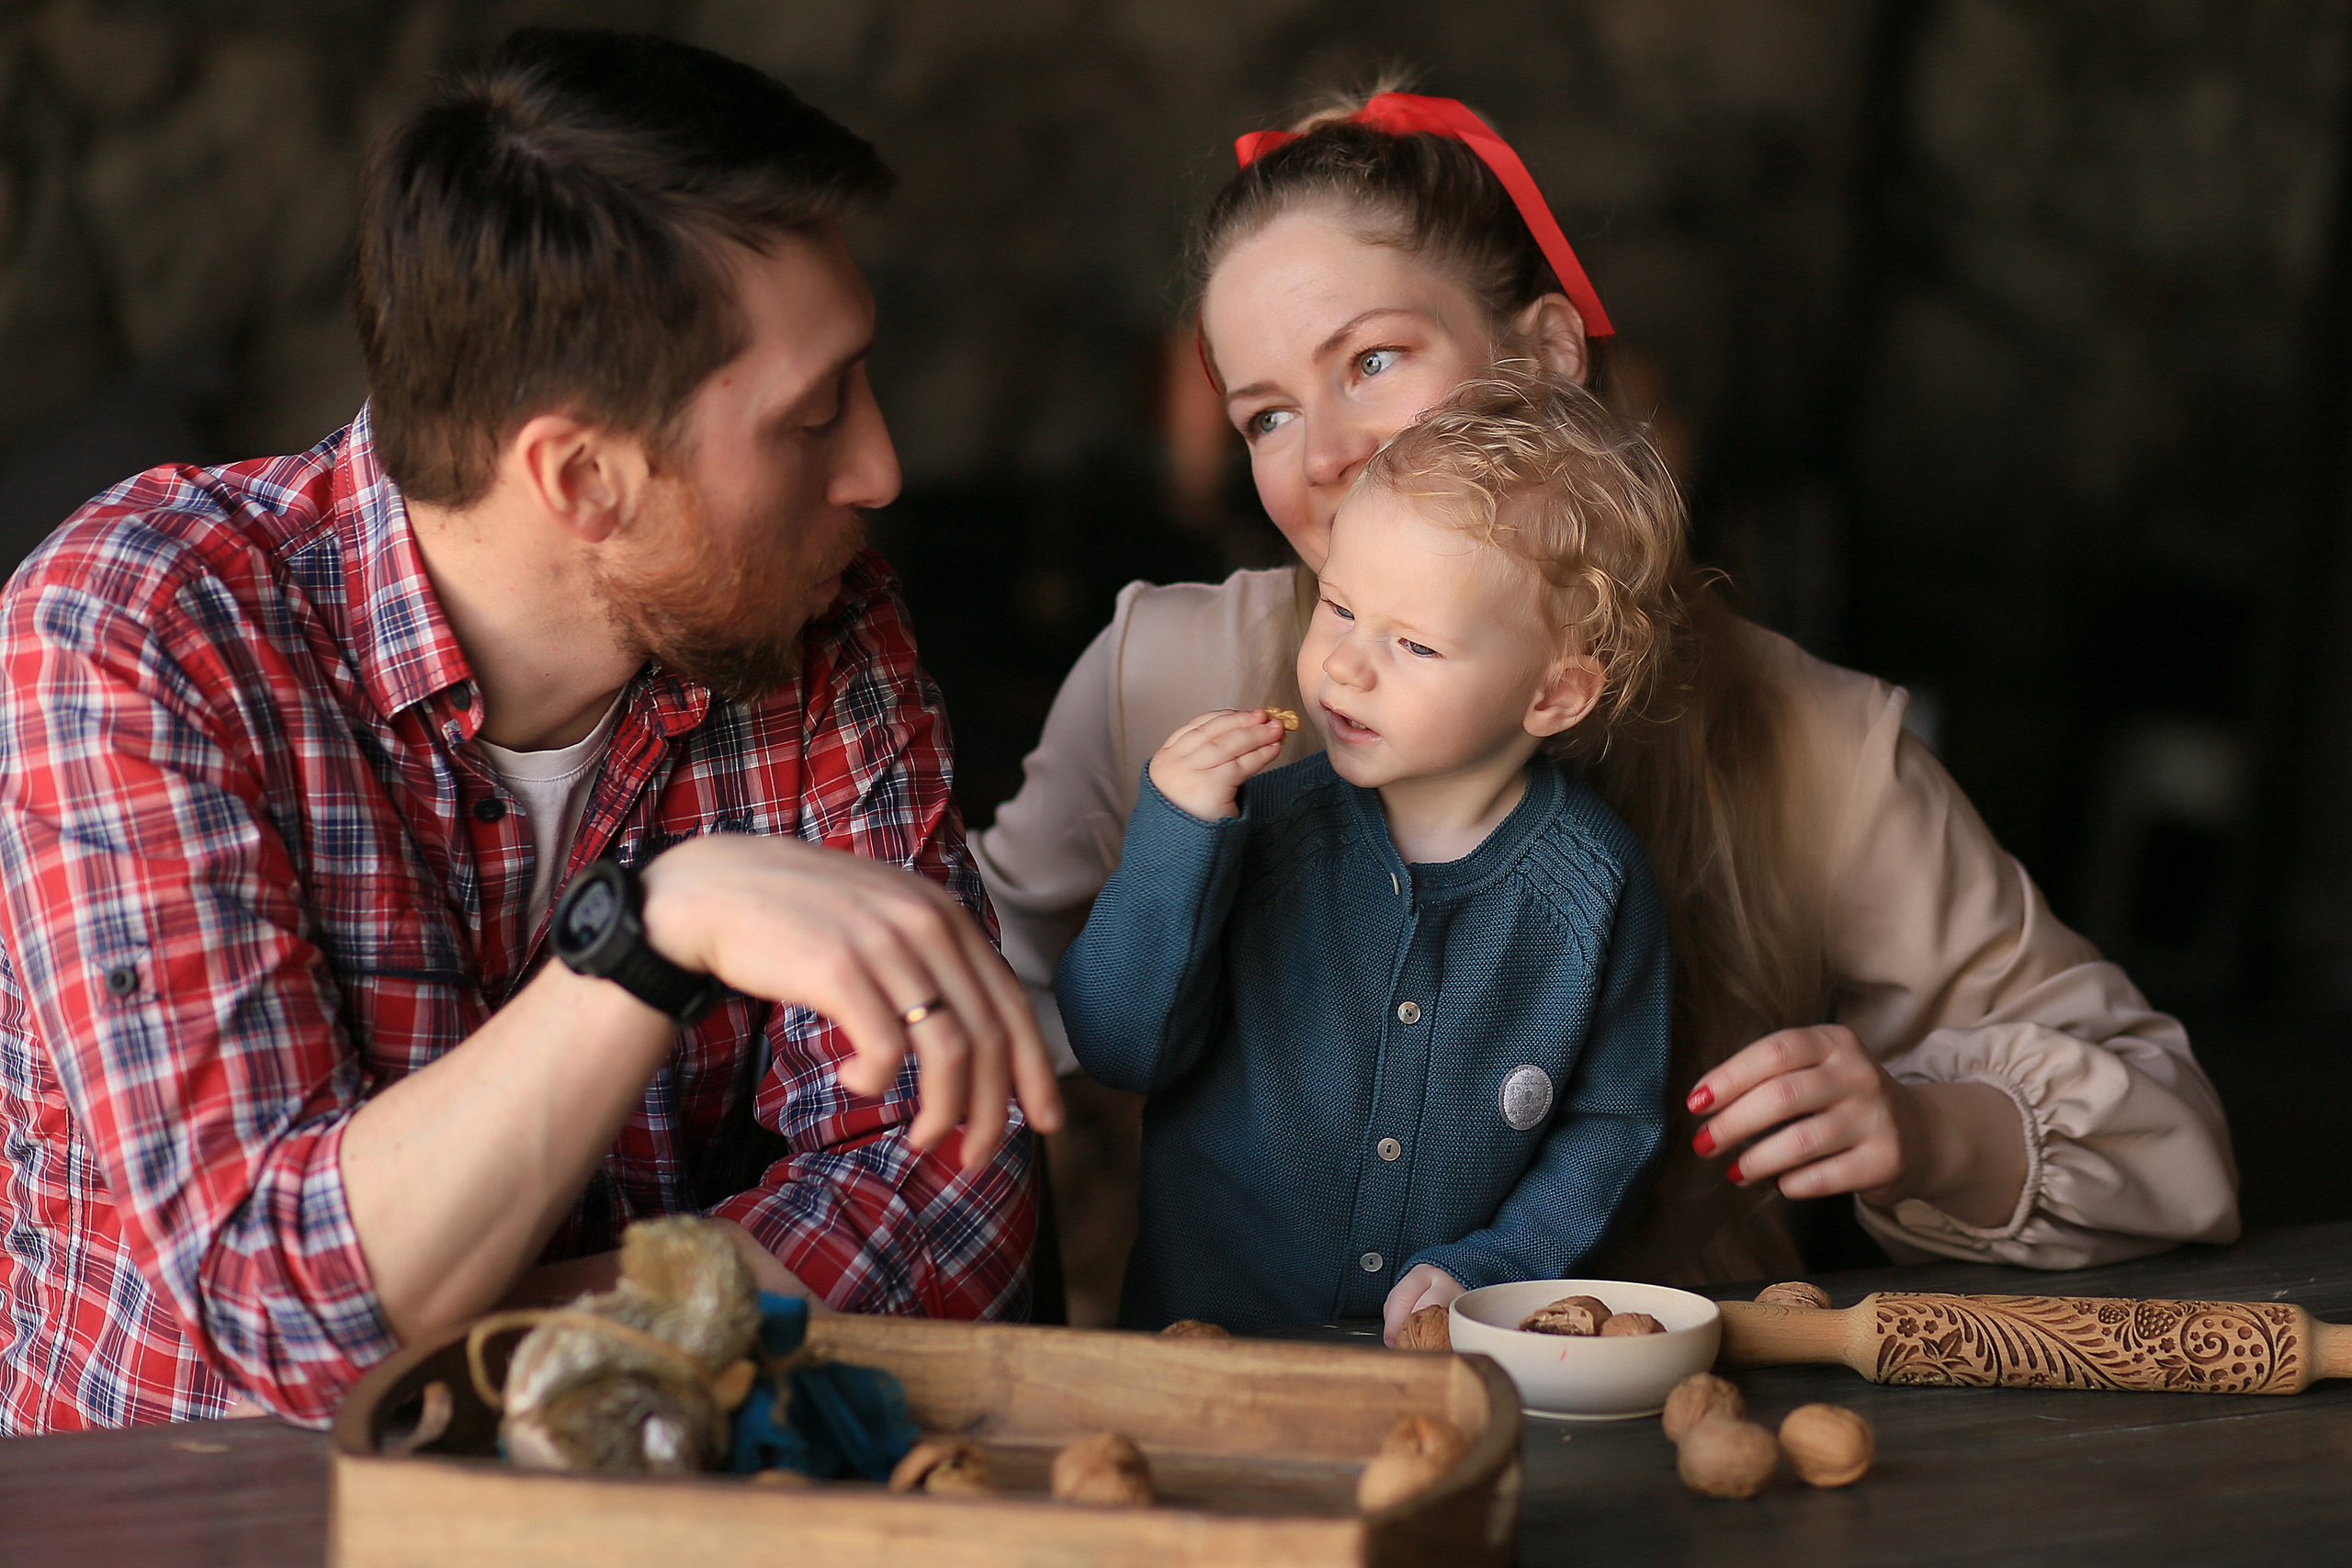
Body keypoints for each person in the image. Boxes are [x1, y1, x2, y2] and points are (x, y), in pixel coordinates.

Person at [977, 88, 2237, 1291]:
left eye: (1371, 361)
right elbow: (947, 1000)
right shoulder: (1171, 674)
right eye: (1262, 416)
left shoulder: (1817, 743)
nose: (1325, 458)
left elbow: (2177, 1141)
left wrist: (1931, 1127)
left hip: (1656, 1461)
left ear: (1547, 351)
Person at [0, 28, 1059, 1434]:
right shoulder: (134, 631)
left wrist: (473, 1331)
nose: (879, 465)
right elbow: (278, 1309)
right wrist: (650, 931)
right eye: (813, 418)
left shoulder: (817, 621)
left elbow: (957, 1191)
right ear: (581, 475)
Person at [1059, 372, 1679, 1334]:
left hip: (1448, 1370)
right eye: (1339, 609)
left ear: (1553, 695)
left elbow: (1611, 1127)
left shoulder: (1597, 885)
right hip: (1207, 1355)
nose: (1346, 664)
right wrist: (1174, 837)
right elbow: (1115, 1045)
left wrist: (1500, 1264)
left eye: (1416, 646)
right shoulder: (1254, 829)